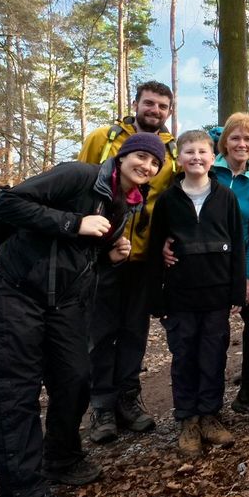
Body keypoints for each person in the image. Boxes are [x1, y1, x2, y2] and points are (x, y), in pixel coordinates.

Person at [0, 133, 163, 497]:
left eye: (154, 163)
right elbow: (7, 203)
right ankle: (21, 496)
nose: (146, 166)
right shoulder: (79, 176)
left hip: (62, 301)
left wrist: (110, 256)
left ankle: (61, 457)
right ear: (123, 155)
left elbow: (81, 257)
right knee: (15, 391)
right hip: (15, 289)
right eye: (141, 156)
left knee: (76, 379)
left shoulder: (122, 205)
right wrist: (73, 221)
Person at [78, 81, 177, 444]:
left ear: (169, 111)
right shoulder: (103, 139)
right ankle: (101, 405)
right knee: (100, 331)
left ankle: (128, 398)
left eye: (162, 106)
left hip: (144, 258)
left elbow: (171, 202)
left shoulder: (173, 150)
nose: (155, 110)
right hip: (102, 257)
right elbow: (83, 190)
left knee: (134, 331)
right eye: (149, 103)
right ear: (135, 103)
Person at [168, 114, 249, 427]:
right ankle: (195, 408)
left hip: (240, 261)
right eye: (235, 138)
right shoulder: (205, 169)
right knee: (207, 330)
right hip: (200, 263)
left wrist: (247, 275)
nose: (242, 144)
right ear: (224, 142)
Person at [147, 131, 246, 454]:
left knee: (213, 354)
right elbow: (154, 248)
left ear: (212, 156)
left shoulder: (225, 198)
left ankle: (209, 415)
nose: (196, 158)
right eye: (189, 152)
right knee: (184, 355)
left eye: (202, 152)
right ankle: (187, 419)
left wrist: (236, 289)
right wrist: (157, 297)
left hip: (216, 293)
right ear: (179, 157)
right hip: (180, 294)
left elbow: (237, 247)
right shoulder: (168, 200)